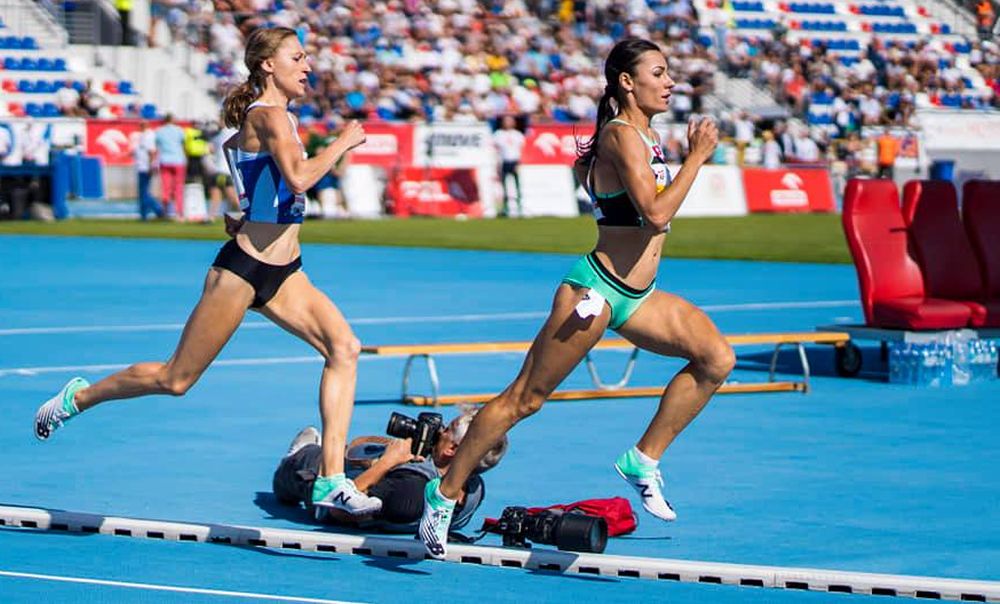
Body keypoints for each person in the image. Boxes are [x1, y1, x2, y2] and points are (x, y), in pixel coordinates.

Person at [33, 26, 382, 517]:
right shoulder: (271, 116)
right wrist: (344, 142)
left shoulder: (272, 121)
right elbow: (301, 177)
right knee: (176, 379)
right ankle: (80, 397)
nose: (307, 67)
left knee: (344, 348)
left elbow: (242, 160)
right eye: (297, 58)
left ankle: (331, 479)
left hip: (285, 272)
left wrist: (249, 213)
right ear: (268, 66)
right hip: (240, 272)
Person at [418, 37, 735, 559]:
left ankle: (643, 459)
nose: (671, 81)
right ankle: (443, 491)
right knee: (526, 398)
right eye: (659, 72)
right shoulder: (621, 136)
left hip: (640, 294)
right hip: (597, 291)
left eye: (669, 72)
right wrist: (698, 158)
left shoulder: (646, 134)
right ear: (627, 82)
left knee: (716, 358)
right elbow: (656, 215)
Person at [273, 409, 508, 532]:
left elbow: (339, 511)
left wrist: (386, 463)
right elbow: (359, 445)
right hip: (391, 490)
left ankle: (298, 455)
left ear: (452, 450)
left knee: (309, 462)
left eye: (448, 429)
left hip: (323, 501)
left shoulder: (410, 487)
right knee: (349, 453)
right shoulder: (474, 489)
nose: (440, 430)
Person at [204, 120, 240, 222]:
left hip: (223, 170)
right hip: (221, 170)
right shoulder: (224, 134)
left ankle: (211, 216)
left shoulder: (222, 134)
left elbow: (210, 149)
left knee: (230, 196)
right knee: (218, 196)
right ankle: (211, 216)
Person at [155, 114, 187, 219]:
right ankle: (179, 213)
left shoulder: (159, 131)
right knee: (178, 188)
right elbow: (183, 144)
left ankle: (165, 212)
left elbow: (157, 146)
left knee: (165, 188)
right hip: (178, 160)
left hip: (165, 160)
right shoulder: (179, 130)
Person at [493, 115, 525, 217]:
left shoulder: (518, 135)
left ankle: (520, 208)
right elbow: (496, 151)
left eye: (510, 121)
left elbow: (521, 150)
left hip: (514, 162)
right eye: (506, 121)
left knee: (517, 187)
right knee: (504, 187)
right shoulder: (498, 134)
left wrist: (519, 163)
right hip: (504, 162)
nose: (508, 123)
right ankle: (505, 209)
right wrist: (497, 165)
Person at [134, 120, 163, 220]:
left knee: (144, 192)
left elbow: (152, 152)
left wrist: (151, 166)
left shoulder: (149, 136)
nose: (140, 126)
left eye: (142, 124)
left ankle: (158, 210)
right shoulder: (143, 136)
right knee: (142, 192)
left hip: (145, 167)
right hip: (142, 166)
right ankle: (143, 214)